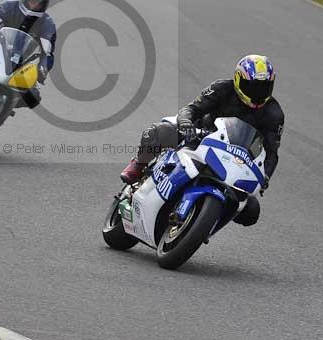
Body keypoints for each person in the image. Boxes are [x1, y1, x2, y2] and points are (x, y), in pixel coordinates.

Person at [120, 54, 285, 227]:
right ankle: (139, 164)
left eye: (264, 87)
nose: (257, 93)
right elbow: (192, 108)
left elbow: (271, 152)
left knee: (251, 210)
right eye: (252, 87)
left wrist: (265, 176)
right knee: (160, 132)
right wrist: (185, 122)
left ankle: (206, 223)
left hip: (235, 161)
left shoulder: (274, 114)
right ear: (238, 79)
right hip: (200, 138)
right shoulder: (222, 88)